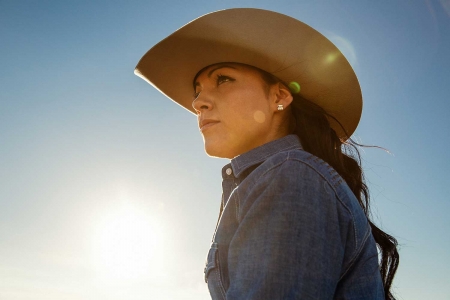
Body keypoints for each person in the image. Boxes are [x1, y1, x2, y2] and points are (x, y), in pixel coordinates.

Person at [135, 8, 399, 300]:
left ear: (279, 97)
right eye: (198, 90)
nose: (198, 102)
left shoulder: (292, 176)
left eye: (222, 79)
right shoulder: (284, 177)